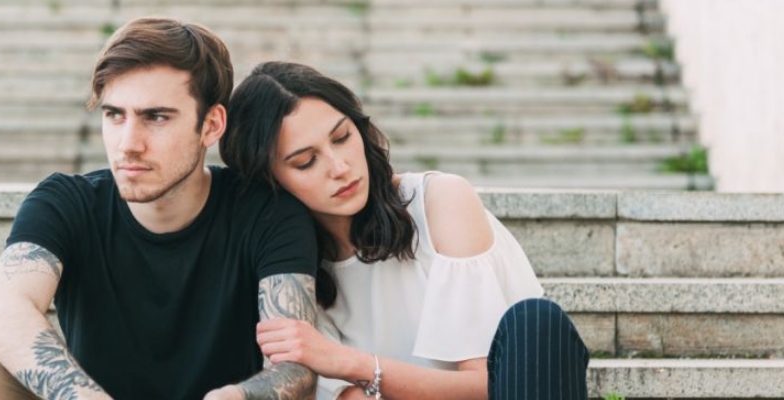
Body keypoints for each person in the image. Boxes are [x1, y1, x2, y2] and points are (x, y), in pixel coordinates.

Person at [0, 19, 321, 400]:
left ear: (211, 125)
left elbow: (295, 369)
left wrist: (233, 397)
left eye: (156, 117)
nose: (128, 143)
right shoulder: (65, 202)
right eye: (115, 114)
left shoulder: (267, 212)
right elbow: (5, 316)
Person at [220, 61, 590, 400]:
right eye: (306, 162)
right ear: (270, 182)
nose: (339, 167)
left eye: (342, 137)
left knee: (537, 322)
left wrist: (355, 364)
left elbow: (490, 385)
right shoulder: (291, 282)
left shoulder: (438, 202)